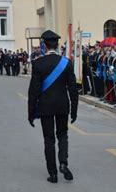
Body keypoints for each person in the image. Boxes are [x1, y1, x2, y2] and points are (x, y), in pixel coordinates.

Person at [27, 30, 78, 183]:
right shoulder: (66, 63)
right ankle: (63, 162)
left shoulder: (38, 63)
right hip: (62, 105)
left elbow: (33, 90)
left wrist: (30, 112)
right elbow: (73, 89)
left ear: (44, 44)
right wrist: (74, 110)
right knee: (62, 135)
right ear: (57, 45)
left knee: (48, 139)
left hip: (45, 107)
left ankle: (53, 174)